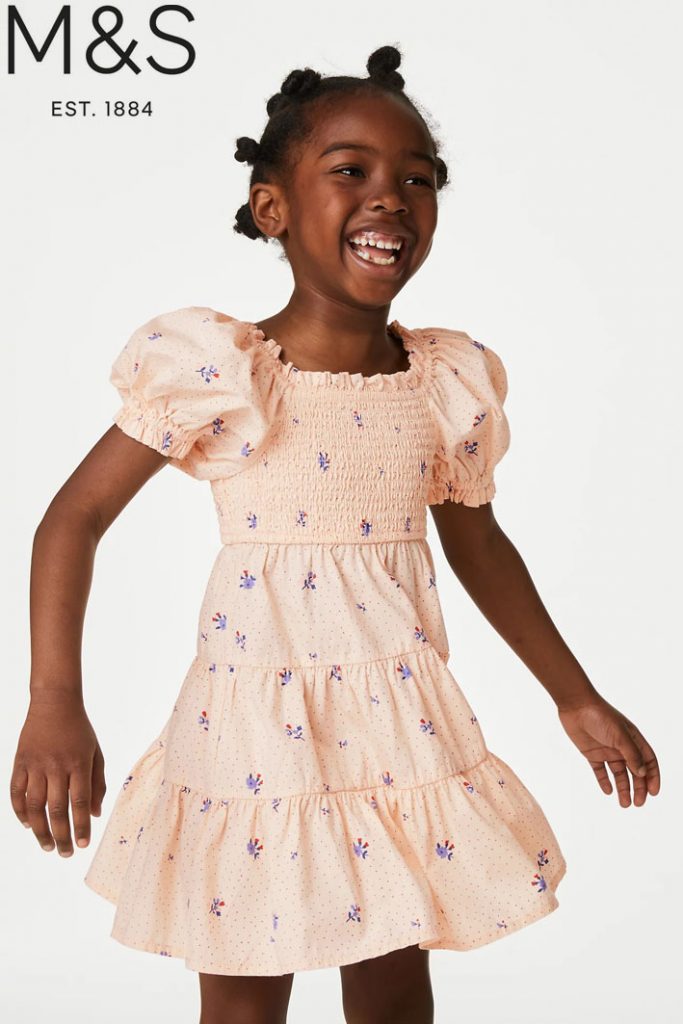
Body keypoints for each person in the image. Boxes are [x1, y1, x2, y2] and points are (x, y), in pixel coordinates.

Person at [10, 43, 660, 1024]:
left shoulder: (441, 381)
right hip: (249, 726)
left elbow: (478, 545)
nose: (389, 197)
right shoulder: (222, 368)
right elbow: (74, 519)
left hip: (395, 720)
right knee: (242, 988)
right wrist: (55, 700)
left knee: (394, 980)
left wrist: (575, 696)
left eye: (416, 178)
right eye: (350, 170)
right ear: (272, 208)